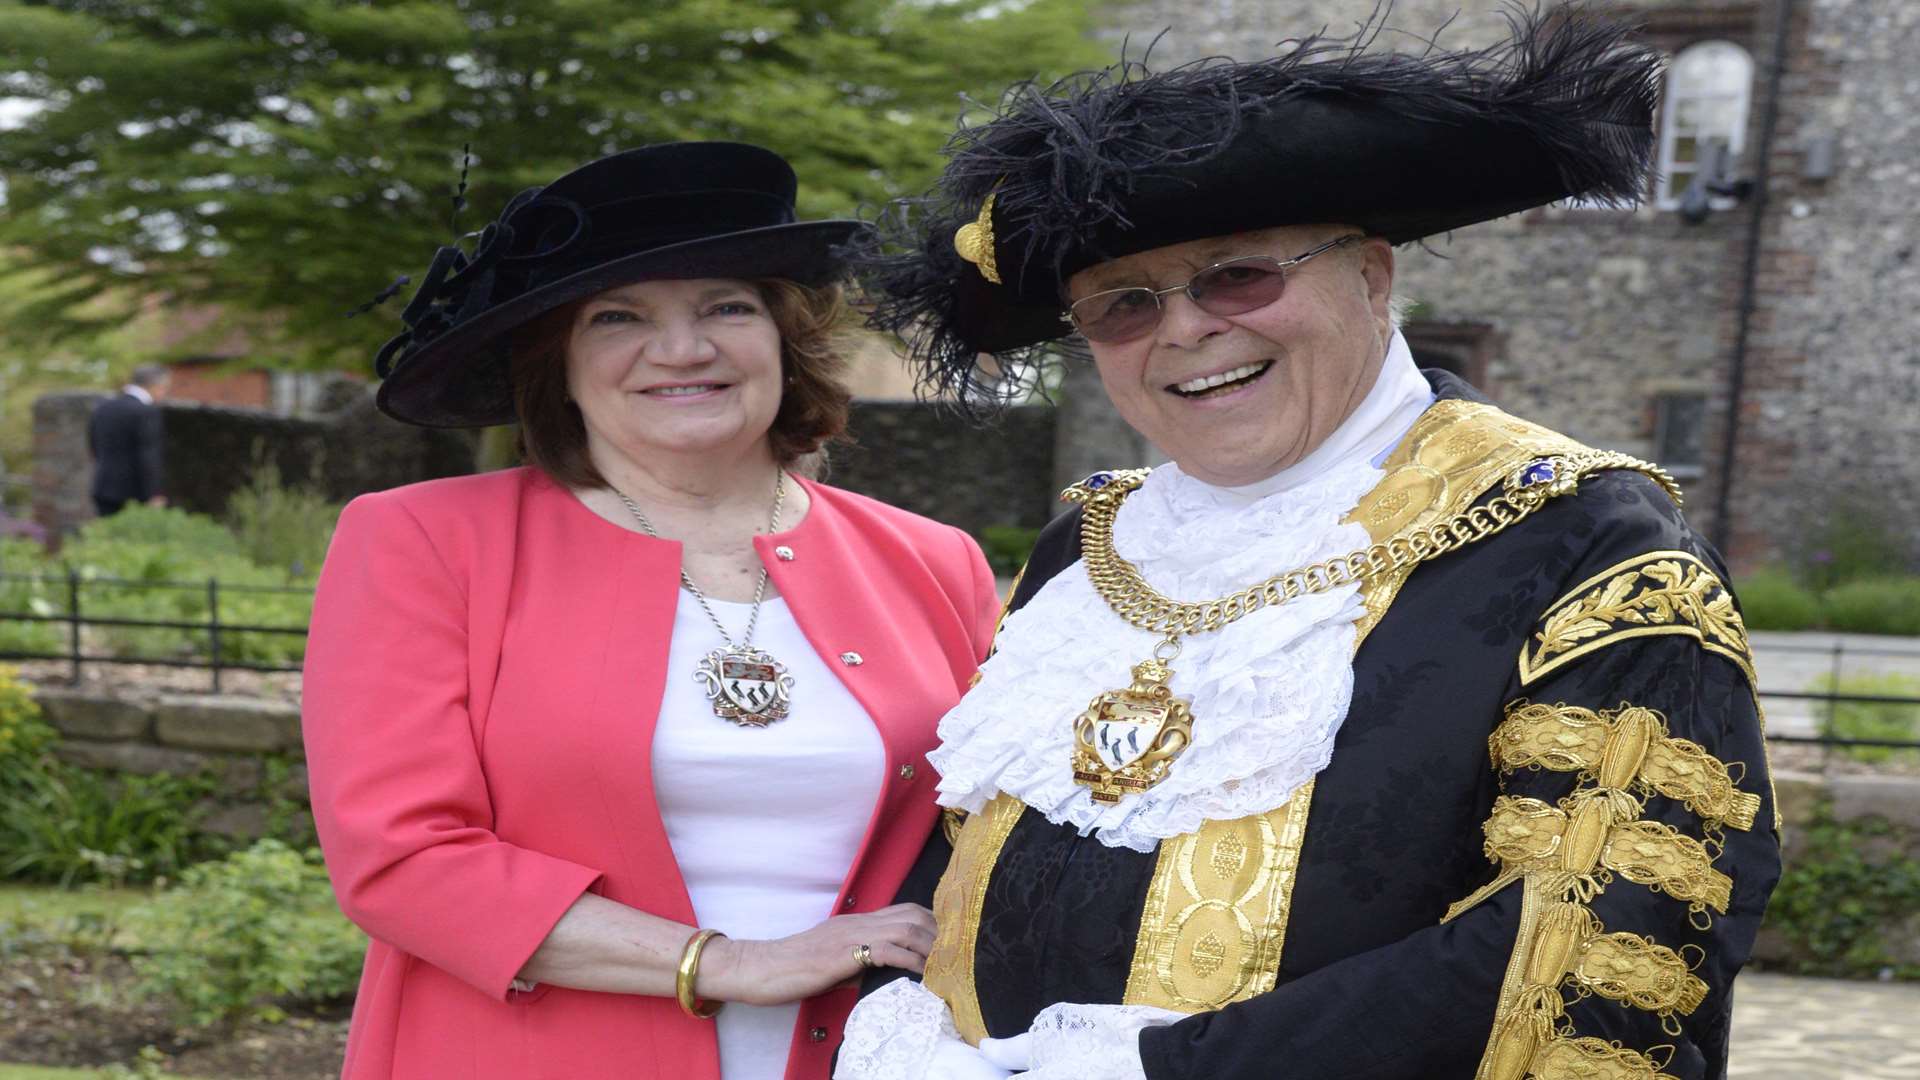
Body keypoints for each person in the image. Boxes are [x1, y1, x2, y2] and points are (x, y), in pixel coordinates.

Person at [835, 8, 1781, 1080]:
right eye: (1122, 308)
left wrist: (1143, 1071)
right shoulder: (1085, 544)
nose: (1186, 330)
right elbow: (969, 832)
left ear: (1372, 277)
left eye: (1238, 276)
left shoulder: (1580, 544)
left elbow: (1591, 940)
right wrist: (898, 1017)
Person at [302, 142, 999, 1080]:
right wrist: (732, 965)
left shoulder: (934, 560)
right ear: (558, 361)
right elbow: (401, 859)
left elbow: (996, 830)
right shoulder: (424, 541)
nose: (683, 348)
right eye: (618, 316)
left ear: (784, 340)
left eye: (727, 306)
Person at [87, 363, 169, 516]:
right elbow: (148, 455)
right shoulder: (146, 411)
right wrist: (154, 494)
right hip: (134, 494)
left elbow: (93, 446)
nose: (164, 394)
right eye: (164, 388)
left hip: (103, 487)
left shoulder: (103, 407)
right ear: (155, 385)